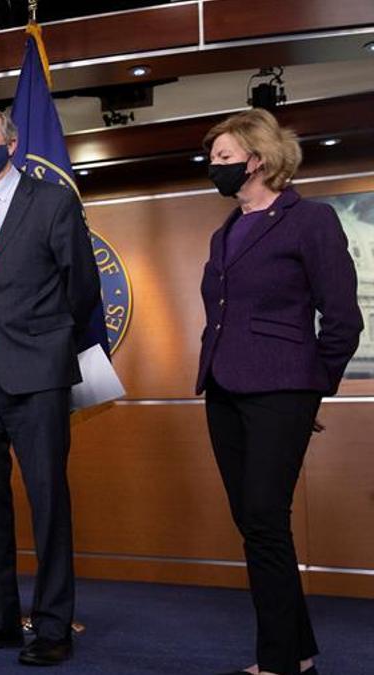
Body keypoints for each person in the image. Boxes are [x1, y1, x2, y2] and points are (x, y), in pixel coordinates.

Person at [197, 109, 362, 675]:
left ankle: (277, 663)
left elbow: (342, 318)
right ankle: (299, 653)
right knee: (254, 522)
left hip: (280, 390)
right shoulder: (226, 231)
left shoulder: (309, 220)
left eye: (223, 158)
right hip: (223, 390)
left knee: (266, 518)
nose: (213, 167)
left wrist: (309, 393)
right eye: (212, 158)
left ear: (258, 159)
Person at [0, 107, 99, 666]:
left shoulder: (52, 201)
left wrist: (46, 339)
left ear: (10, 143)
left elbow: (82, 288)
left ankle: (53, 626)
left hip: (38, 370)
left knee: (48, 499)